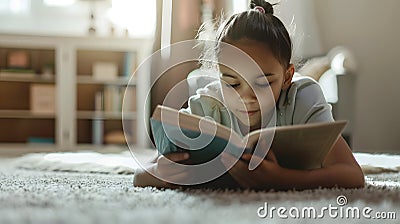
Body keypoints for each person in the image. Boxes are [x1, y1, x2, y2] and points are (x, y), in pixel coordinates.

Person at [134, 0, 365, 190]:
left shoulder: (302, 99)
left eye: (263, 83)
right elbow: (142, 174)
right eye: (232, 83)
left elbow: (353, 175)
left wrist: (283, 179)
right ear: (218, 76)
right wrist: (162, 175)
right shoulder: (208, 105)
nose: (247, 97)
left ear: (287, 76)